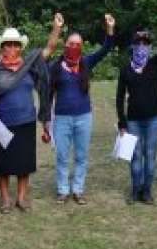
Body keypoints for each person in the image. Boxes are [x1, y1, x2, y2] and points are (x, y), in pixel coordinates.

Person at [0, 14, 63, 213]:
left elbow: (50, 48)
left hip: (25, 121)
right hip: (2, 123)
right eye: (7, 45)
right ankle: (5, 200)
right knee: (2, 165)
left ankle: (20, 199)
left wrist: (56, 28)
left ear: (21, 47)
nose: (11, 48)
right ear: (1, 47)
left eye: (15, 45)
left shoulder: (29, 65)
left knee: (24, 164)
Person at [50, 14, 116, 205]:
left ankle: (78, 190)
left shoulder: (86, 62)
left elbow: (106, 49)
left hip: (83, 117)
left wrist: (110, 28)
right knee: (62, 156)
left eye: (77, 44)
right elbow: (48, 91)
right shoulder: (56, 66)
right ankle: (63, 190)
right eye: (71, 43)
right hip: (62, 117)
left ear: (82, 47)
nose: (74, 47)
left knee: (81, 155)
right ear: (65, 45)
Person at [117, 10, 157, 205]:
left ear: (149, 47)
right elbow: (119, 98)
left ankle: (147, 192)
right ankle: (135, 191)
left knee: (150, 156)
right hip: (133, 120)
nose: (142, 46)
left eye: (145, 43)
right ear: (133, 46)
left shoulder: (155, 64)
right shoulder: (126, 70)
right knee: (135, 158)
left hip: (153, 120)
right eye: (139, 43)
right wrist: (122, 122)